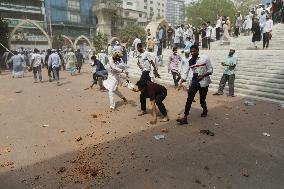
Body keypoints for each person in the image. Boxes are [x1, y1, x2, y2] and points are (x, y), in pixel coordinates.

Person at [176, 45, 213, 125]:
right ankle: (185, 117)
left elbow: (210, 70)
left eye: (194, 51)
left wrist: (203, 76)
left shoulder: (205, 58)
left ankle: (205, 110)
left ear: (198, 50)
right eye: (191, 51)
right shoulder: (190, 61)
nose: (192, 53)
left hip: (204, 80)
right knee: (189, 98)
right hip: (195, 80)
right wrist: (181, 81)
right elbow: (185, 72)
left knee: (202, 100)